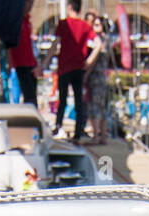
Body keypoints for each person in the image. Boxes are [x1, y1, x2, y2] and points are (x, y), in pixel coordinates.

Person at [44, 0, 93, 140]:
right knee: (79, 100)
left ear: (69, 7)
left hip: (65, 67)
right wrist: (89, 61)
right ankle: (78, 131)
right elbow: (98, 44)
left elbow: (55, 45)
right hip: (79, 68)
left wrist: (45, 63)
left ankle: (58, 126)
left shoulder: (63, 24)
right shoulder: (85, 26)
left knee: (63, 99)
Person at [82, 12, 112, 145]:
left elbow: (92, 61)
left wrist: (86, 75)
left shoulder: (97, 41)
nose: (95, 26)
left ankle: (96, 136)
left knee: (94, 106)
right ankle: (103, 136)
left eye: (97, 24)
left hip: (95, 76)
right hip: (103, 76)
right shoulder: (108, 40)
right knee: (103, 107)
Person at [8, 1, 39, 106]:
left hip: (30, 62)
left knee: (32, 94)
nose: (30, 6)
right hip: (20, 63)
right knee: (29, 95)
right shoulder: (15, 21)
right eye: (28, 3)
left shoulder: (27, 21)